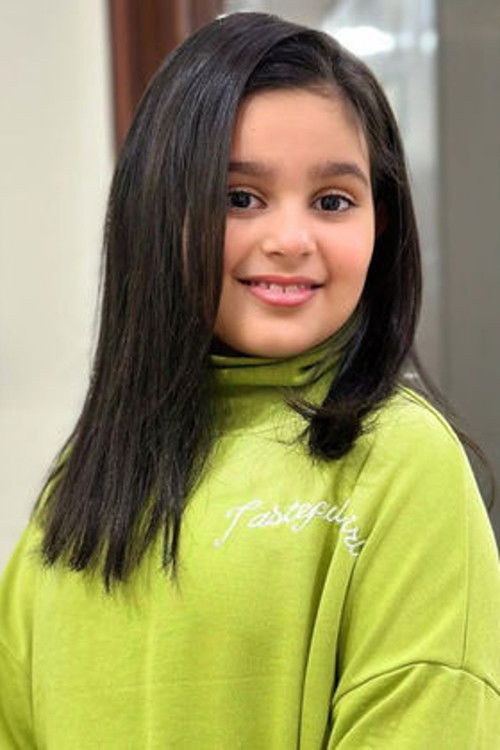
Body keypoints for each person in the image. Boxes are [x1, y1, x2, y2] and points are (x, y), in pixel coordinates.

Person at [1, 10, 499, 749]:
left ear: (381, 224)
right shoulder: (79, 488)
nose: (291, 240)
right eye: (240, 198)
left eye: (333, 201)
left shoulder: (398, 460)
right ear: (157, 213)